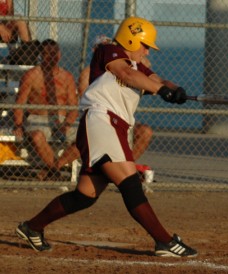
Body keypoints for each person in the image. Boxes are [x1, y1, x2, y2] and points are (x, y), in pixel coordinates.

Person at [15, 17, 197, 258]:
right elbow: (126, 76)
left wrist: (174, 90)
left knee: (85, 196)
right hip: (102, 121)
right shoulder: (109, 51)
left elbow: (157, 80)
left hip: (112, 126)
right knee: (131, 185)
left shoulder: (136, 65)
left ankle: (32, 227)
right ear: (131, 39)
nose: (146, 51)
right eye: (144, 46)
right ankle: (164, 241)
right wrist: (162, 91)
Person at [78, 35, 153, 172]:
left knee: (145, 132)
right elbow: (88, 102)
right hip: (99, 118)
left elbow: (144, 68)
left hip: (122, 118)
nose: (110, 50)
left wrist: (138, 60)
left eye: (111, 46)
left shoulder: (126, 66)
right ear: (95, 50)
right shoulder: (90, 73)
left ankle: (124, 169)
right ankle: (122, 172)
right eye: (102, 47)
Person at [12, 39, 79, 180]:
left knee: (87, 139)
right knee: (37, 136)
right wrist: (18, 124)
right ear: (41, 55)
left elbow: (74, 108)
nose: (52, 56)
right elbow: (20, 103)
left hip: (61, 121)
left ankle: (53, 168)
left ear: (60, 54)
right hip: (37, 118)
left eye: (55, 52)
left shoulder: (67, 77)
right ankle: (54, 171)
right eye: (48, 53)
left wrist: (66, 124)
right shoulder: (32, 75)